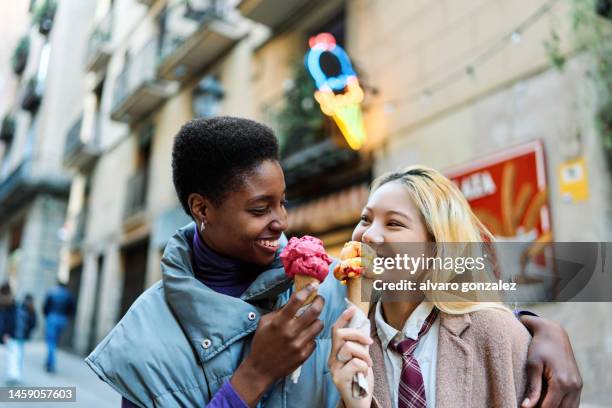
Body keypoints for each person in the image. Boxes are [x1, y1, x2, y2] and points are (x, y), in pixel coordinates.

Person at [85, 117, 581, 407]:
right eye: (260, 209)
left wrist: (532, 328)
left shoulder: (324, 285)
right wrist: (255, 374)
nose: (282, 220)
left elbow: (429, 293)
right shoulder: (143, 340)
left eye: (283, 202)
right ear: (202, 209)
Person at [329, 165, 582, 408]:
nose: (368, 235)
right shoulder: (346, 342)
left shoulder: (497, 333)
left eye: (394, 223)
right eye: (365, 219)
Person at [43, 281, 75, 373]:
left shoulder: (51, 292)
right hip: (62, 319)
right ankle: (50, 362)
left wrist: (47, 316)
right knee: (55, 341)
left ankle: (50, 363)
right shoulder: (68, 294)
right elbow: (72, 308)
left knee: (51, 341)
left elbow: (45, 306)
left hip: (52, 317)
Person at [6, 294, 37, 384]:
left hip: (14, 335)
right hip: (21, 336)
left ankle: (14, 374)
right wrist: (27, 332)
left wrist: (6, 332)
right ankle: (15, 374)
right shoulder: (31, 310)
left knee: (13, 355)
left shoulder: (16, 308)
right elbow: (33, 324)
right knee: (18, 355)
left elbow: (9, 321)